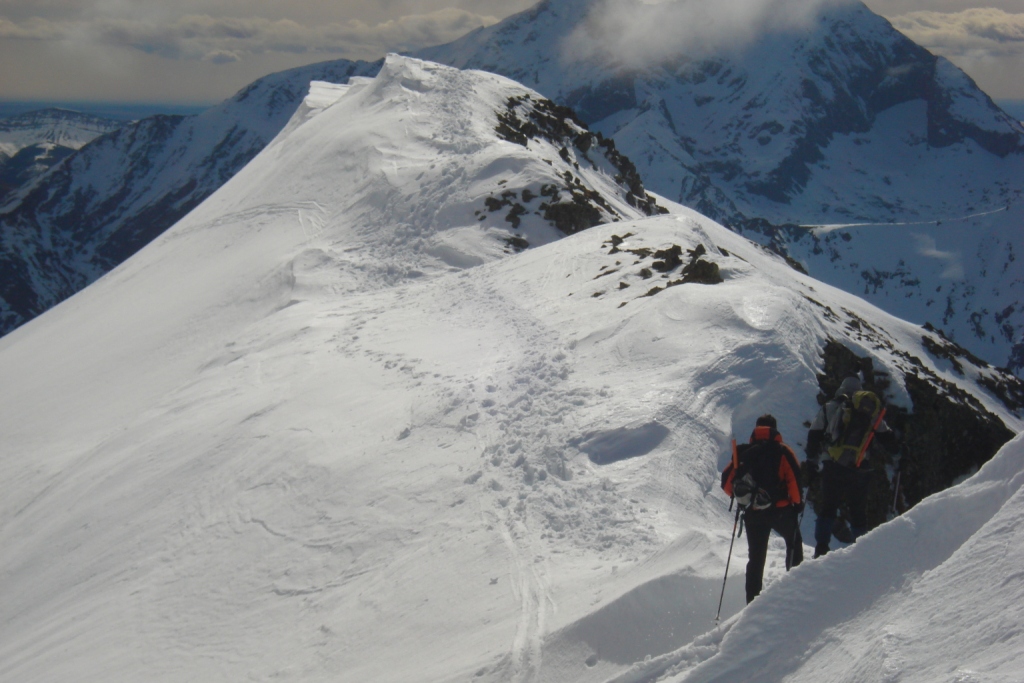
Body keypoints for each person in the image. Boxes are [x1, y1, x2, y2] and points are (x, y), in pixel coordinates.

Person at [804, 376, 894, 558]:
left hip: (833, 465)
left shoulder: (830, 407)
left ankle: (821, 548)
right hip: (860, 467)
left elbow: (814, 435)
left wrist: (812, 460)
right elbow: (887, 437)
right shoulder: (870, 410)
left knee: (828, 508)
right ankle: (861, 552)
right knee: (858, 511)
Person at [721, 414, 804, 603]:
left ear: (756, 429)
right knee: (793, 544)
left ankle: (752, 604)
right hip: (781, 511)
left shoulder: (742, 452)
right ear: (775, 429)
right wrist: (798, 505)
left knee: (756, 560)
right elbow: (794, 482)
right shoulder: (783, 452)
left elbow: (726, 484)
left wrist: (743, 498)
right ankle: (794, 592)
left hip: (753, 513)